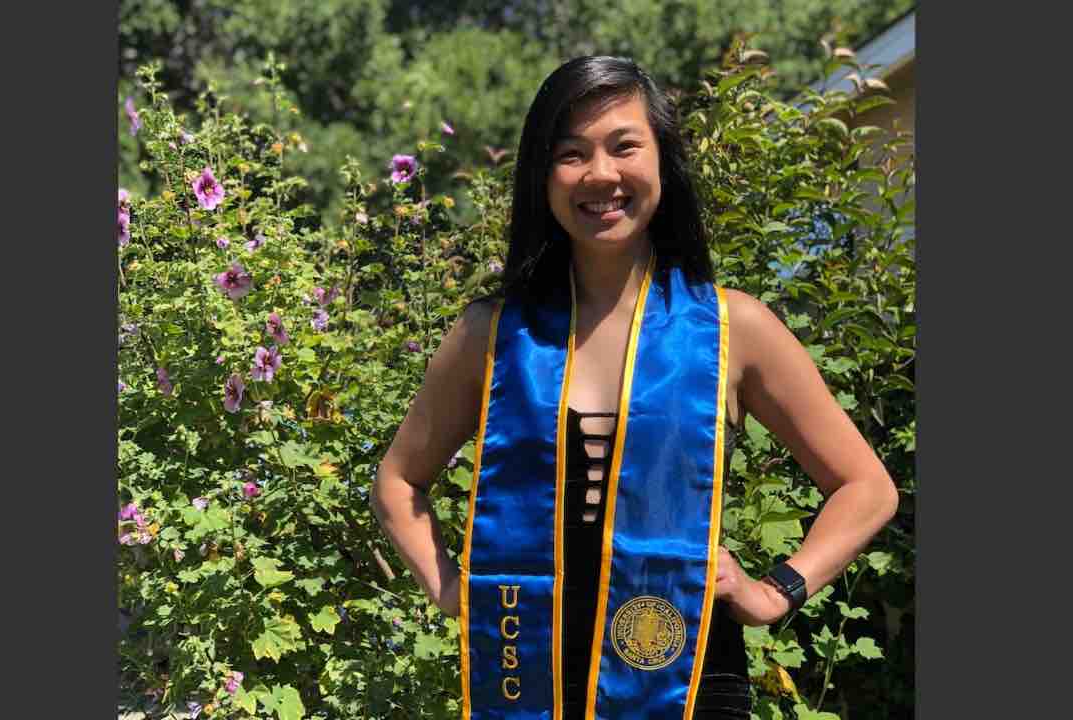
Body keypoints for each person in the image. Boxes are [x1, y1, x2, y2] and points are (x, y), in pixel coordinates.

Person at [371, 56, 898, 720]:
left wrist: (775, 591)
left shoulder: (734, 328)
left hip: (685, 675)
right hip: (529, 666)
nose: (600, 174)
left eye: (624, 146)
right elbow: (398, 482)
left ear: (662, 163)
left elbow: (867, 487)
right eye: (571, 154)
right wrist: (452, 589)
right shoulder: (493, 335)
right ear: (542, 176)